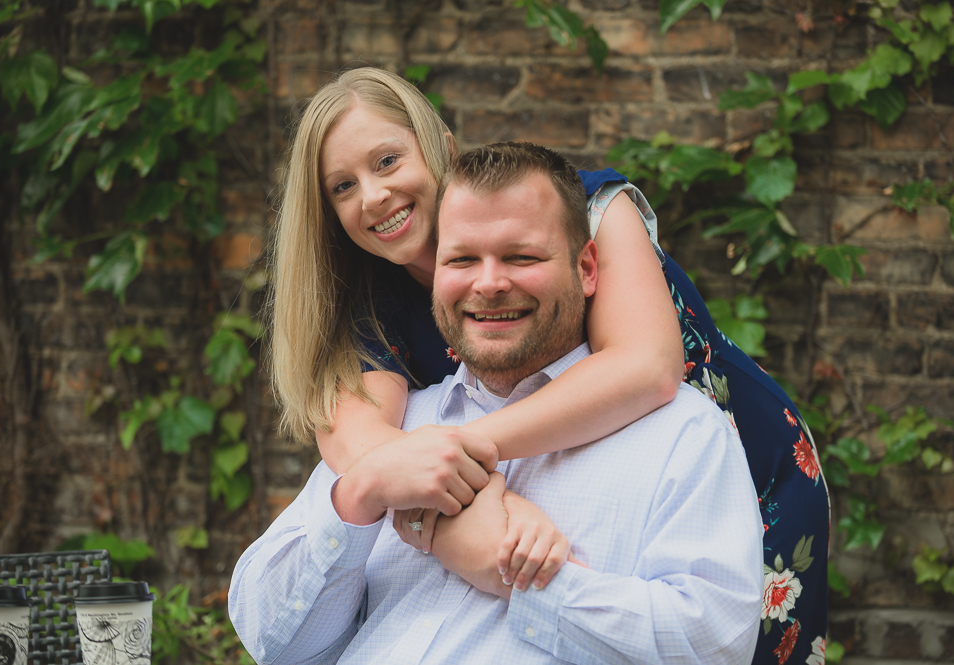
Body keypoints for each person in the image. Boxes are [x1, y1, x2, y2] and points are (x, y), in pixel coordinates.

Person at [269, 67, 829, 664]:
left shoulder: (580, 208)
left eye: (386, 162)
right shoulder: (369, 305)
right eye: (342, 187)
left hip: (739, 461)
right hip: (582, 482)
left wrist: (456, 464)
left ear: (442, 149)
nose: (373, 195)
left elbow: (645, 367)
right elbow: (366, 453)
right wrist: (463, 506)